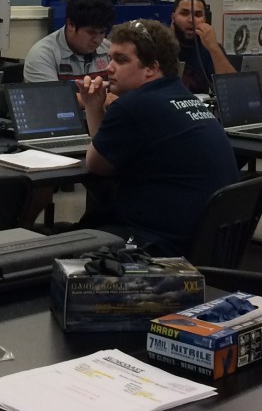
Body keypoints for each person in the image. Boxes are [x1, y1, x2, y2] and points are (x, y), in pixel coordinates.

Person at [74, 20, 240, 255]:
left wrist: (92, 107)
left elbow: (96, 164)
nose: (109, 68)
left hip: (162, 244)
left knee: (67, 243)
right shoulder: (183, 95)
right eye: (110, 58)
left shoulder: (134, 105)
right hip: (210, 240)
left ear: (151, 68)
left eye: (121, 60)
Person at [23, 0, 114, 82]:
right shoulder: (42, 55)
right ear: (71, 25)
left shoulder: (109, 49)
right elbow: (51, 92)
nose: (97, 40)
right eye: (91, 33)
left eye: (102, 33)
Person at [169, 0, 234, 95]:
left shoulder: (210, 47)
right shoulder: (160, 45)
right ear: (173, 17)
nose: (191, 20)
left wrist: (214, 48)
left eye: (197, 15)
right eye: (184, 13)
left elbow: (233, 89)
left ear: (204, 19)